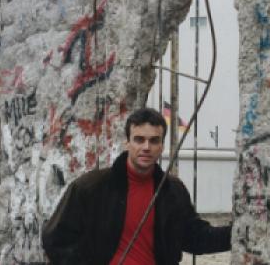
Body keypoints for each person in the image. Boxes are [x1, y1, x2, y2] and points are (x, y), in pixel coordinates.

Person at [42, 107, 231, 265]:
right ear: (127, 142)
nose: (146, 147)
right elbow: (55, 239)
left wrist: (238, 232)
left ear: (162, 146)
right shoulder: (91, 187)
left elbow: (195, 237)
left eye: (154, 140)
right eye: (139, 139)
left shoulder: (172, 190)